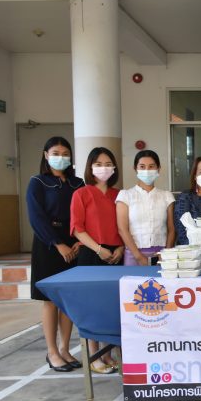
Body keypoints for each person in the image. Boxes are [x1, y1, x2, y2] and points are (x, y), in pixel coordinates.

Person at [26, 136, 84, 372]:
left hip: (75, 243)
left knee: (67, 301)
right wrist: (58, 244)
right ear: (46, 155)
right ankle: (52, 352)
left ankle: (65, 349)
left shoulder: (78, 183)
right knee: (50, 301)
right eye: (56, 153)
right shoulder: (38, 182)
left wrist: (79, 241)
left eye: (65, 153)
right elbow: (36, 218)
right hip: (48, 245)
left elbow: (84, 213)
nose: (61, 157)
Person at [70, 147, 124, 374]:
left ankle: (108, 354)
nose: (104, 168)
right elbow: (77, 229)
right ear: (90, 167)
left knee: (112, 305)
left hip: (116, 254)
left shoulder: (119, 195)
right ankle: (94, 356)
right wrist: (99, 249)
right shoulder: (81, 194)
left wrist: (121, 247)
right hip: (92, 253)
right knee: (92, 306)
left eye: (108, 164)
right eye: (98, 164)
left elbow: (124, 226)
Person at [116, 150, 175, 265]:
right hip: (133, 254)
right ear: (135, 169)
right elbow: (122, 229)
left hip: (161, 255)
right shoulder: (125, 195)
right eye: (142, 167)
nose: (147, 170)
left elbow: (171, 229)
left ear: (158, 169)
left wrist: (166, 254)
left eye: (151, 166)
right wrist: (138, 256)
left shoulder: (166, 196)